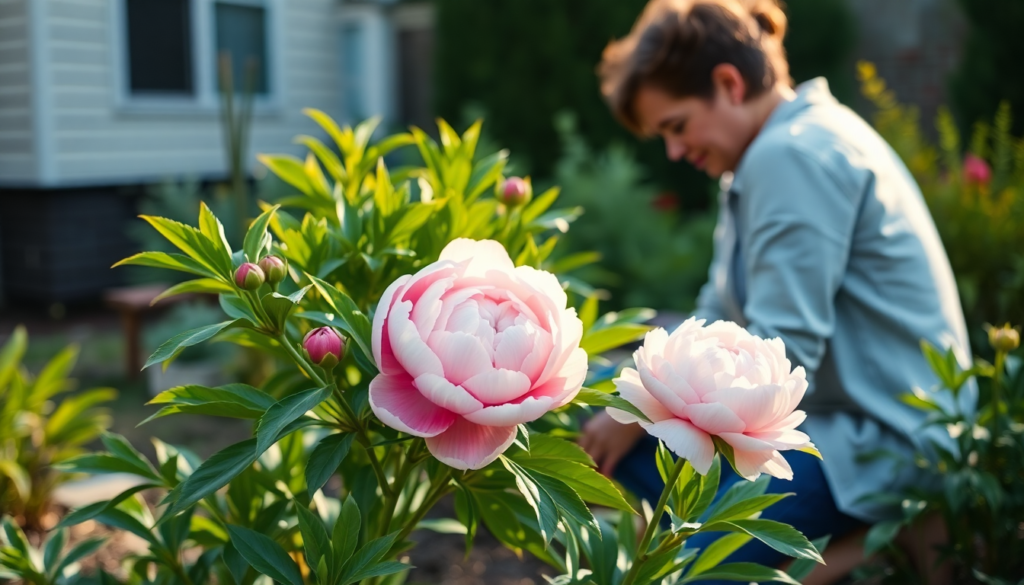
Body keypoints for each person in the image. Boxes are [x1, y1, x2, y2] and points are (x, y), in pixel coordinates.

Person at [578, 0, 971, 582]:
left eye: (677, 126)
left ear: (728, 84)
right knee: (583, 401)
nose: (675, 152)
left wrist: (638, 411)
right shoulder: (767, 152)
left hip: (879, 440)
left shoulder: (792, 156)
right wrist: (629, 397)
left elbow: (781, 351)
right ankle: (675, 534)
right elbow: (718, 315)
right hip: (834, 420)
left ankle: (873, 548)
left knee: (697, 572)